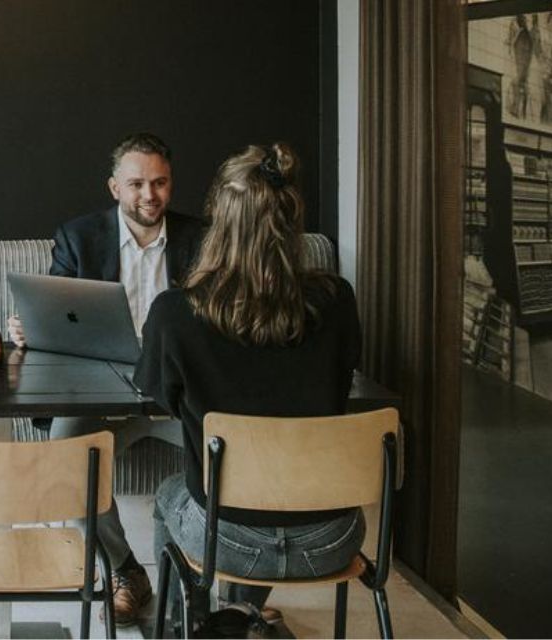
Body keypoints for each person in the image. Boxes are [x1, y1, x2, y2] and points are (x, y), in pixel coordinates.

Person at [134, 142, 363, 618]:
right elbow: (343, 381)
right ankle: (238, 615)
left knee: (167, 499)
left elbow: (163, 399)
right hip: (331, 538)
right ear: (292, 219)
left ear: (219, 219)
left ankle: (184, 625)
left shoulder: (176, 313)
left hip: (228, 538)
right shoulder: (337, 300)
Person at [7, 132, 206, 626]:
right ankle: (125, 570)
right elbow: (59, 320)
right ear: (115, 187)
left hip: (173, 393)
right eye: (137, 183)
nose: (149, 195)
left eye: (159, 183)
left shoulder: (201, 239)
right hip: (95, 389)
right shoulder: (78, 237)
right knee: (65, 460)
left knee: (232, 449)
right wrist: (31, 327)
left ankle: (201, 582)